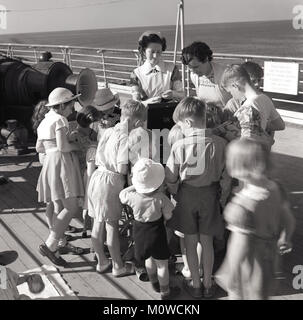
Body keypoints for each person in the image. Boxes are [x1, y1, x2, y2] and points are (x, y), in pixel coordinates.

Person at [165, 97, 230, 299]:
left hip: (186, 197)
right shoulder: (221, 144)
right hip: (210, 197)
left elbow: (170, 177)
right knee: (207, 243)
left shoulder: (179, 146)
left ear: (188, 122)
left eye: (180, 125)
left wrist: (176, 192)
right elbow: (227, 178)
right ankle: (209, 284)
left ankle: (194, 284)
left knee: (190, 243)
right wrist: (222, 199)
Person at [215, 138, 295, 299]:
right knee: (262, 292)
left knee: (242, 293)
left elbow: (240, 245)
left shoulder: (241, 206)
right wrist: (285, 238)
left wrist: (232, 272)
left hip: (249, 261)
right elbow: (289, 219)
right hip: (271, 255)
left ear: (237, 166)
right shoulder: (277, 188)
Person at [87, 99, 146, 277]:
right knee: (111, 225)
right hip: (111, 181)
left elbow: (99, 154)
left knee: (98, 223)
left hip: (97, 177)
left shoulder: (109, 130)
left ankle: (102, 262)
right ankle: (118, 266)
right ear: (136, 122)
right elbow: (121, 168)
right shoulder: (125, 137)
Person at [36, 88, 85, 266]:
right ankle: (50, 243)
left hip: (50, 162)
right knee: (71, 207)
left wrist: (55, 146)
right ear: (63, 105)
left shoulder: (44, 121)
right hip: (62, 162)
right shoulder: (60, 119)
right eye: (71, 104)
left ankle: (55, 245)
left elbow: (39, 148)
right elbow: (64, 147)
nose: (73, 107)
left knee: (61, 205)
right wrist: (75, 145)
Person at [119, 158, 180, 300]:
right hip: (157, 232)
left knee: (148, 258)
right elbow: (169, 215)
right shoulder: (161, 198)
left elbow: (122, 195)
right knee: (162, 264)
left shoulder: (132, 197)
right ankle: (165, 292)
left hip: (139, 232)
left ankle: (154, 283)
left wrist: (134, 186)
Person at [219, 64, 284, 145]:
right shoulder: (265, 98)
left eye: (230, 92)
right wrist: (261, 128)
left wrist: (225, 134)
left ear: (235, 86)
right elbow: (280, 125)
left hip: (246, 155)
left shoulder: (246, 109)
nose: (232, 95)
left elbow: (246, 144)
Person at [181, 41, 231, 128]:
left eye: (196, 67)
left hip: (228, 120)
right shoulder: (194, 75)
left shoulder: (225, 73)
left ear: (206, 59)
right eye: (190, 67)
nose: (193, 71)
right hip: (207, 120)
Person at [130, 31, 184, 105]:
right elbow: (135, 101)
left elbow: (182, 95)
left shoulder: (172, 69)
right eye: (152, 52)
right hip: (146, 113)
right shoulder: (136, 74)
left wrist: (173, 94)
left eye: (158, 52)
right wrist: (146, 103)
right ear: (144, 51)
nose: (155, 56)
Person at [241, 61, 285, 143]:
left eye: (259, 80)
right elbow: (279, 125)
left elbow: (277, 124)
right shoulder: (265, 98)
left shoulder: (264, 98)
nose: (257, 84)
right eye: (253, 81)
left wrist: (263, 126)